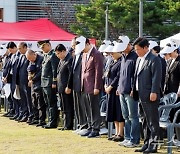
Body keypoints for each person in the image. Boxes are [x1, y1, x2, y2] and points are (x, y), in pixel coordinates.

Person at [133, 37, 162, 153]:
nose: (136, 51)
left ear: (146, 48)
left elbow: (156, 77)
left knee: (153, 121)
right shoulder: (139, 59)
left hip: (150, 94)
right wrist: (133, 89)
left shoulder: (154, 59)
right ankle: (146, 143)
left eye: (138, 49)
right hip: (140, 94)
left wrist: (154, 91)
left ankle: (154, 144)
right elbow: (136, 76)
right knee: (144, 120)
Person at [77, 36, 104, 138]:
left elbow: (98, 71)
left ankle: (96, 128)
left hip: (93, 85)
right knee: (87, 107)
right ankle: (90, 126)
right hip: (85, 85)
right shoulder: (84, 54)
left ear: (88, 44)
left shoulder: (96, 54)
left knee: (94, 108)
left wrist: (97, 86)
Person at [116, 36, 140, 148]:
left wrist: (133, 89)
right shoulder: (123, 57)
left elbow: (136, 75)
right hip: (122, 90)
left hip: (130, 92)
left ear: (128, 45)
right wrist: (118, 87)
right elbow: (121, 75)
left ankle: (134, 139)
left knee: (133, 116)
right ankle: (127, 137)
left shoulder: (135, 57)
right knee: (125, 116)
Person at [66, 37, 88, 132]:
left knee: (83, 106)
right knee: (77, 106)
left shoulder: (84, 55)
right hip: (75, 84)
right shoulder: (75, 56)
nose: (73, 47)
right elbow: (72, 72)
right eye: (72, 46)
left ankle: (85, 125)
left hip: (82, 84)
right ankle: (80, 124)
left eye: (74, 45)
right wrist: (69, 85)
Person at [104, 42, 124, 142]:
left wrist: (111, 86)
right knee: (113, 112)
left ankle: (121, 133)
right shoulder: (112, 62)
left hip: (115, 90)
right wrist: (105, 85)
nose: (111, 54)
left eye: (113, 52)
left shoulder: (121, 62)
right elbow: (106, 75)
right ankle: (116, 132)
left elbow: (118, 77)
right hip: (109, 90)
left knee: (118, 111)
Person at [37, 39, 59, 129]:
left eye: (43, 46)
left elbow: (54, 69)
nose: (42, 49)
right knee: (47, 103)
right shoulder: (46, 55)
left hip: (50, 83)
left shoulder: (53, 55)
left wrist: (54, 81)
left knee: (52, 103)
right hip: (44, 83)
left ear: (48, 45)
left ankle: (53, 122)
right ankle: (49, 120)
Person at [55, 44, 74, 130]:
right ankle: (65, 123)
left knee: (68, 107)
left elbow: (70, 74)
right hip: (61, 87)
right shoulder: (61, 60)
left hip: (66, 88)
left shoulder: (69, 59)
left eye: (58, 53)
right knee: (63, 107)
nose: (58, 56)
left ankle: (68, 125)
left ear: (63, 51)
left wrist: (68, 86)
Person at [26, 49, 46, 126]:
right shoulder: (31, 61)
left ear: (34, 54)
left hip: (39, 84)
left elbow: (41, 72)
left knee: (40, 103)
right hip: (33, 85)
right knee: (34, 102)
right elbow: (29, 70)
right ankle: (36, 118)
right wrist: (29, 77)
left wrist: (33, 79)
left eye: (31, 58)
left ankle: (42, 120)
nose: (30, 60)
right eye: (28, 59)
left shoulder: (41, 59)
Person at [16, 42, 33, 123]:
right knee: (23, 99)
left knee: (28, 100)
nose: (19, 50)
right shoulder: (20, 56)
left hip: (27, 82)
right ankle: (24, 113)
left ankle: (30, 115)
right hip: (21, 81)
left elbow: (30, 69)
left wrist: (30, 79)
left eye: (20, 48)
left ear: (25, 47)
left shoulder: (28, 56)